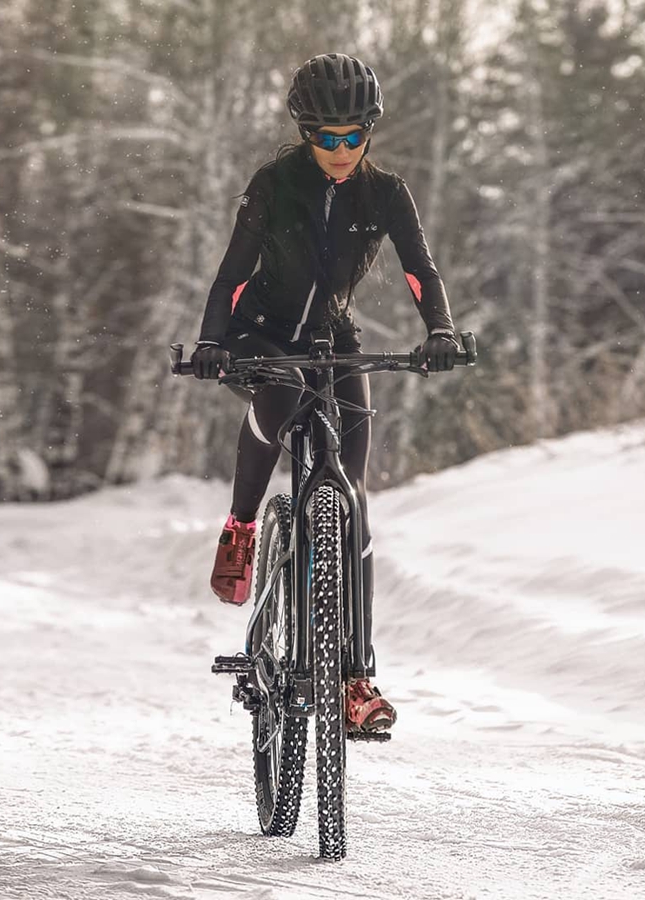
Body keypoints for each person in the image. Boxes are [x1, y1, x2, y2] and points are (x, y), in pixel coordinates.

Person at [192, 53, 458, 732]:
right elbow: (230, 276)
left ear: (369, 131)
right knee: (279, 395)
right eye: (325, 138)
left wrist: (441, 332)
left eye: (352, 137)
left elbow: (420, 272)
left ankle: (355, 677)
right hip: (262, 335)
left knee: (354, 501)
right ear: (305, 132)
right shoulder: (275, 183)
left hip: (332, 336)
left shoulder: (387, 193)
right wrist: (213, 342)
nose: (340, 151)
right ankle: (242, 527)